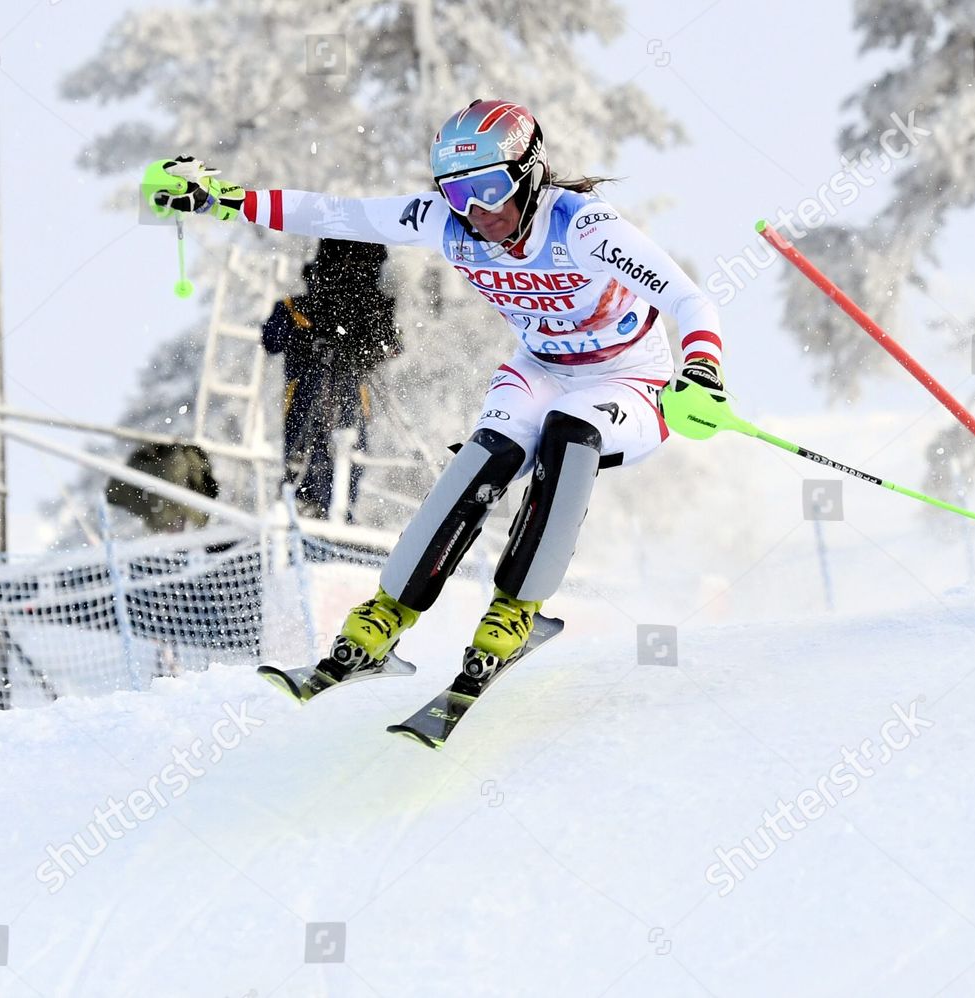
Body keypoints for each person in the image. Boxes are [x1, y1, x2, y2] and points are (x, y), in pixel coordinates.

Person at [147, 98, 726, 676]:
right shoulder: (446, 223)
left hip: (628, 380)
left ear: (528, 172)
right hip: (543, 369)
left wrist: (701, 369)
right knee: (485, 458)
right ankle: (385, 615)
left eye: (491, 190)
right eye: (456, 193)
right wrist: (219, 199)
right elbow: (334, 214)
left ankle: (516, 612)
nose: (476, 212)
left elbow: (690, 300)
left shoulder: (584, 227)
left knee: (567, 434)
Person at [260, 238, 400, 520]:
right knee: (305, 445)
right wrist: (306, 339)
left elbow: (390, 347)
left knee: (351, 451)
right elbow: (271, 339)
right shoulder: (297, 308)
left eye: (360, 266)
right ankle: (303, 501)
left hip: (352, 393)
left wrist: (360, 346)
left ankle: (339, 509)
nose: (351, 273)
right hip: (305, 392)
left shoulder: (372, 311)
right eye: (345, 264)